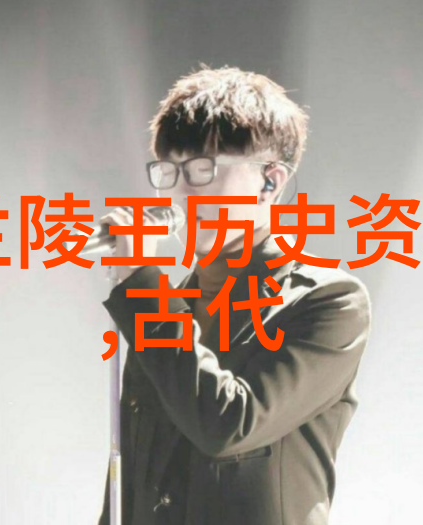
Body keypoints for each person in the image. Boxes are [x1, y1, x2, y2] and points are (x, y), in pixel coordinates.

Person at [97, 65, 372, 525]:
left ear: (270, 181)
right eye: (170, 171)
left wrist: (142, 285)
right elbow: (128, 484)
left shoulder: (328, 302)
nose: (182, 192)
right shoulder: (166, 305)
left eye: (202, 170)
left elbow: (228, 425)